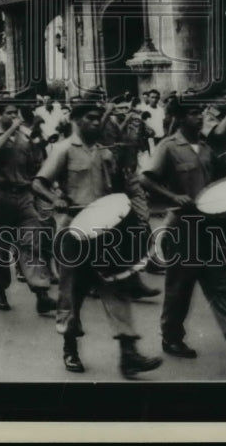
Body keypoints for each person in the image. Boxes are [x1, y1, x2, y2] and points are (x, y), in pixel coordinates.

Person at [32, 94, 162, 380]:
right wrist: (56, 200)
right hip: (74, 233)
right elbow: (39, 183)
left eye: (97, 118)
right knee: (72, 294)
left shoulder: (105, 153)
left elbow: (118, 189)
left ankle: (129, 355)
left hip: (105, 232)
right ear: (76, 120)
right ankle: (70, 348)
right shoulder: (63, 149)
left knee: (116, 286)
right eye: (90, 118)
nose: (95, 122)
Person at [140, 103, 226, 364]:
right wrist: (173, 196)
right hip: (182, 228)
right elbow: (146, 179)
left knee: (221, 282)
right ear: (179, 118)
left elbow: (218, 182)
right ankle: (171, 337)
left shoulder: (207, 146)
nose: (199, 117)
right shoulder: (168, 146)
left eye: (201, 112)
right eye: (193, 113)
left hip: (210, 228)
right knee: (179, 287)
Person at [0, 101, 57, 316]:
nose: (15, 116)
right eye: (9, 113)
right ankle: (0, 291)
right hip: (0, 197)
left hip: (24, 196)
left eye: (16, 113)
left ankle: (41, 293)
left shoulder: (25, 139)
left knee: (32, 242)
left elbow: (36, 165)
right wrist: (14, 128)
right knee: (0, 249)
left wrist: (38, 140)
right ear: (0, 116)